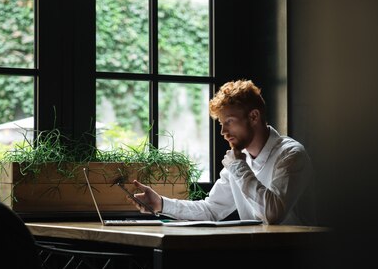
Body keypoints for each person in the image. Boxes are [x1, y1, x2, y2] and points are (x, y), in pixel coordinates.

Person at [131, 79, 316, 225]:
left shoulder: (291, 155)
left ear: (254, 117)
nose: (223, 132)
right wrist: (160, 203)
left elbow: (273, 214)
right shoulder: (237, 162)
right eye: (221, 124)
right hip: (258, 256)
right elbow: (211, 209)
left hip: (298, 262)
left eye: (229, 121)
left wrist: (238, 167)